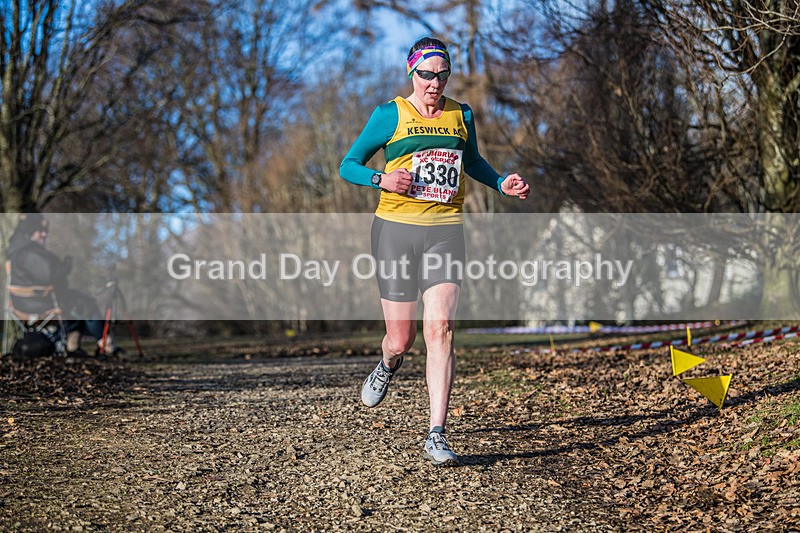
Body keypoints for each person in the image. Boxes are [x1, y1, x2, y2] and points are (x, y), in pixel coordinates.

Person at [339, 37, 530, 465]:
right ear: (412, 73)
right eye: (427, 75)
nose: (434, 83)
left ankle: (437, 433)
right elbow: (348, 164)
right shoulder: (389, 114)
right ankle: (387, 363)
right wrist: (382, 180)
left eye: (442, 75)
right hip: (395, 231)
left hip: (445, 231)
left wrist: (501, 183)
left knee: (440, 328)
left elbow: (472, 161)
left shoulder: (461, 114)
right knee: (401, 339)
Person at [6, 213, 118, 357]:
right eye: (39, 231)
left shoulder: (17, 250)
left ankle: (73, 347)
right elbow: (49, 275)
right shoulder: (28, 253)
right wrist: (65, 267)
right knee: (87, 305)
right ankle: (106, 345)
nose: (44, 234)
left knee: (77, 305)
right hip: (40, 304)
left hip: (22, 304)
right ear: (29, 232)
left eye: (45, 231)